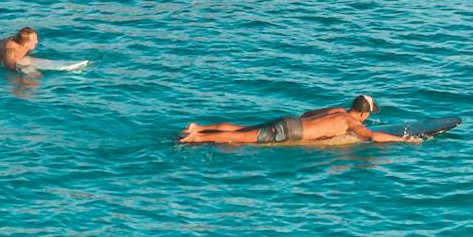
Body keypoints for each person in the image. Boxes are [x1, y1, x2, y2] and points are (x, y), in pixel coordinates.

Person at [179, 93, 419, 145]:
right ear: (364, 113)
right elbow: (373, 136)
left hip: (291, 121)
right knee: (242, 137)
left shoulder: (337, 111)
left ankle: (199, 127)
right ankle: (196, 137)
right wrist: (404, 140)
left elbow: (307, 115)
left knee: (243, 128)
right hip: (289, 133)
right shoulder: (351, 123)